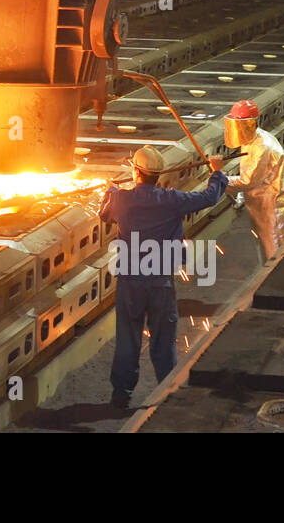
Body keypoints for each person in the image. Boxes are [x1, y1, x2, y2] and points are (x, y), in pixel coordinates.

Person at [100, 144, 227, 410]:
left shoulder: (122, 199)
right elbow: (209, 198)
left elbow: (104, 214)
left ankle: (120, 395)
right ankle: (168, 392)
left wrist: (109, 190)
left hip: (130, 282)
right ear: (158, 175)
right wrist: (217, 172)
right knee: (163, 339)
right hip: (160, 281)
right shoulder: (172, 200)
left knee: (128, 337)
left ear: (135, 172)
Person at [223, 99, 284, 263]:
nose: (237, 130)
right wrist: (241, 198)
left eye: (240, 125)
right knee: (267, 250)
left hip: (275, 206)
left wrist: (220, 179)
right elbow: (250, 174)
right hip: (263, 204)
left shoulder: (262, 146)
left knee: (278, 253)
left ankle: (279, 285)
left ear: (251, 124)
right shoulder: (251, 139)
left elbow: (248, 181)